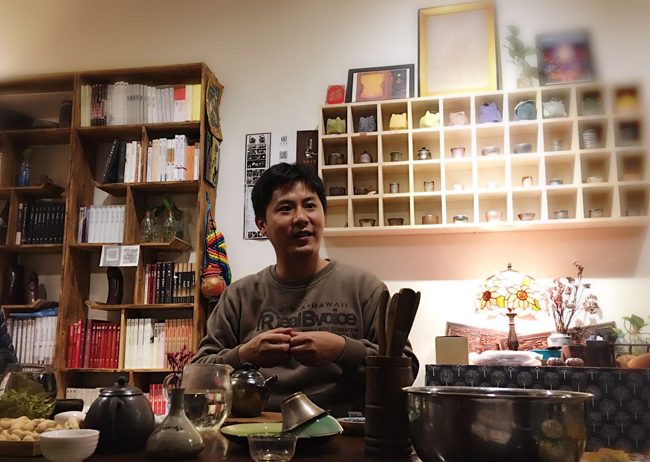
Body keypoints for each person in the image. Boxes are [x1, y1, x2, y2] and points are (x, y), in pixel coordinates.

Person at [193, 163, 418, 417]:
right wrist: (244, 354)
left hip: (343, 429)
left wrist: (343, 349)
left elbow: (405, 372)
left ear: (323, 214)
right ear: (261, 224)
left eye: (310, 205)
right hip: (256, 428)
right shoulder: (239, 296)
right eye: (286, 208)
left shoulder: (364, 288)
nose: (301, 218)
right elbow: (196, 377)